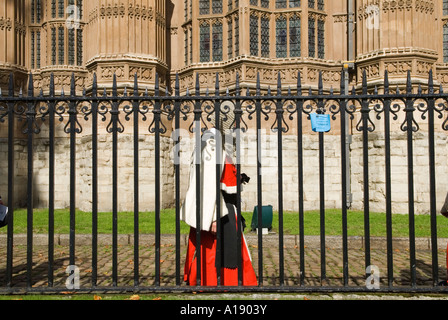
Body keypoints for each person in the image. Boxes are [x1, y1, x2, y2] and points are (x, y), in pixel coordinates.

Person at [180, 104, 257, 287]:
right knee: (213, 249)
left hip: (222, 205)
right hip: (217, 209)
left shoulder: (217, 140)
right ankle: (214, 282)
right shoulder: (212, 142)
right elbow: (206, 182)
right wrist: (213, 215)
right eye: (233, 123)